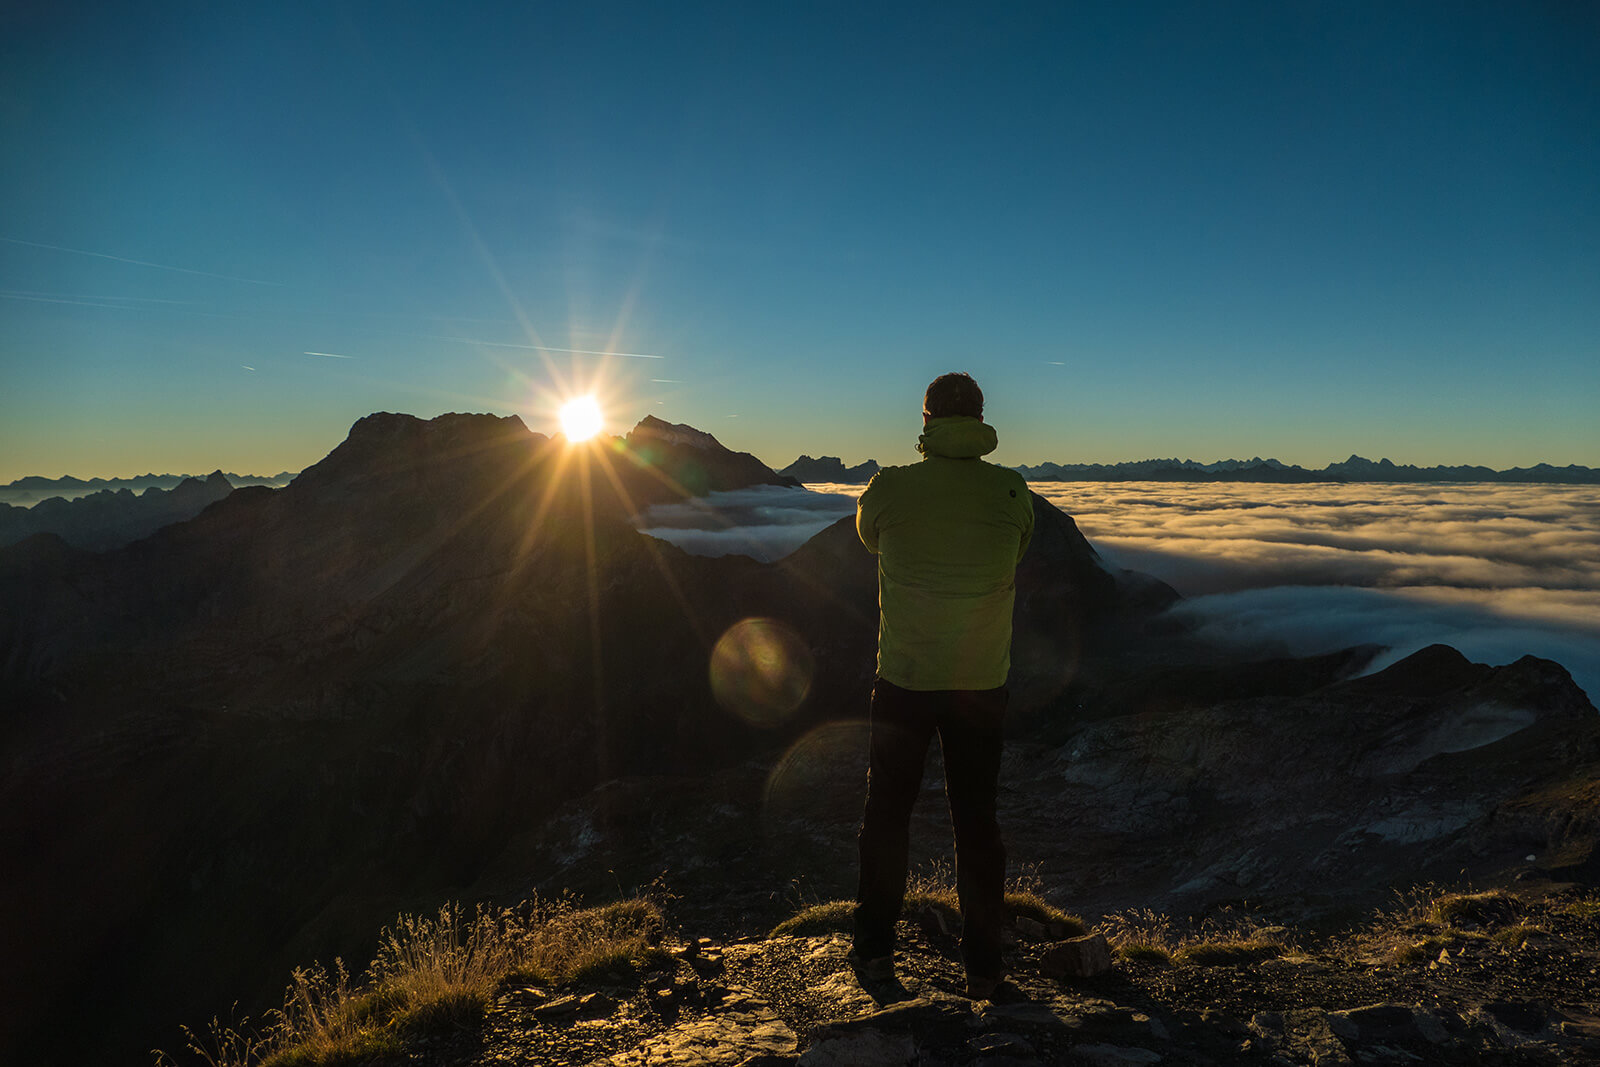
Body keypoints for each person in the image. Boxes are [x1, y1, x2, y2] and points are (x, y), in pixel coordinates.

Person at [850, 371, 1035, 1000]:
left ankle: (875, 955)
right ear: (981, 420)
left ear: (926, 420)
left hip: (904, 678)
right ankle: (983, 966)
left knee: (887, 817)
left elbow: (867, 535)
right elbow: (1016, 552)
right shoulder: (1011, 491)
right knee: (977, 821)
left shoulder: (892, 488)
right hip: (982, 683)